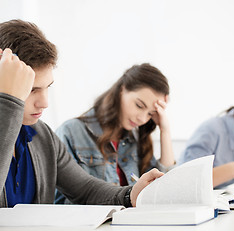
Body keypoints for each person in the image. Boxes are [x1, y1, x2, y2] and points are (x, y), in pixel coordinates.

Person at [0, 19, 163, 231]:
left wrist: (129, 195)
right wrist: (7, 100)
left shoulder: (41, 135)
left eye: (47, 88)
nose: (44, 102)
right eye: (32, 89)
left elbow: (85, 189)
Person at [54, 63, 175, 204]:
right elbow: (61, 202)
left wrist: (164, 130)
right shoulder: (71, 131)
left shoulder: (134, 139)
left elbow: (163, 189)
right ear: (122, 90)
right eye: (139, 106)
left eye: (150, 113)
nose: (142, 118)